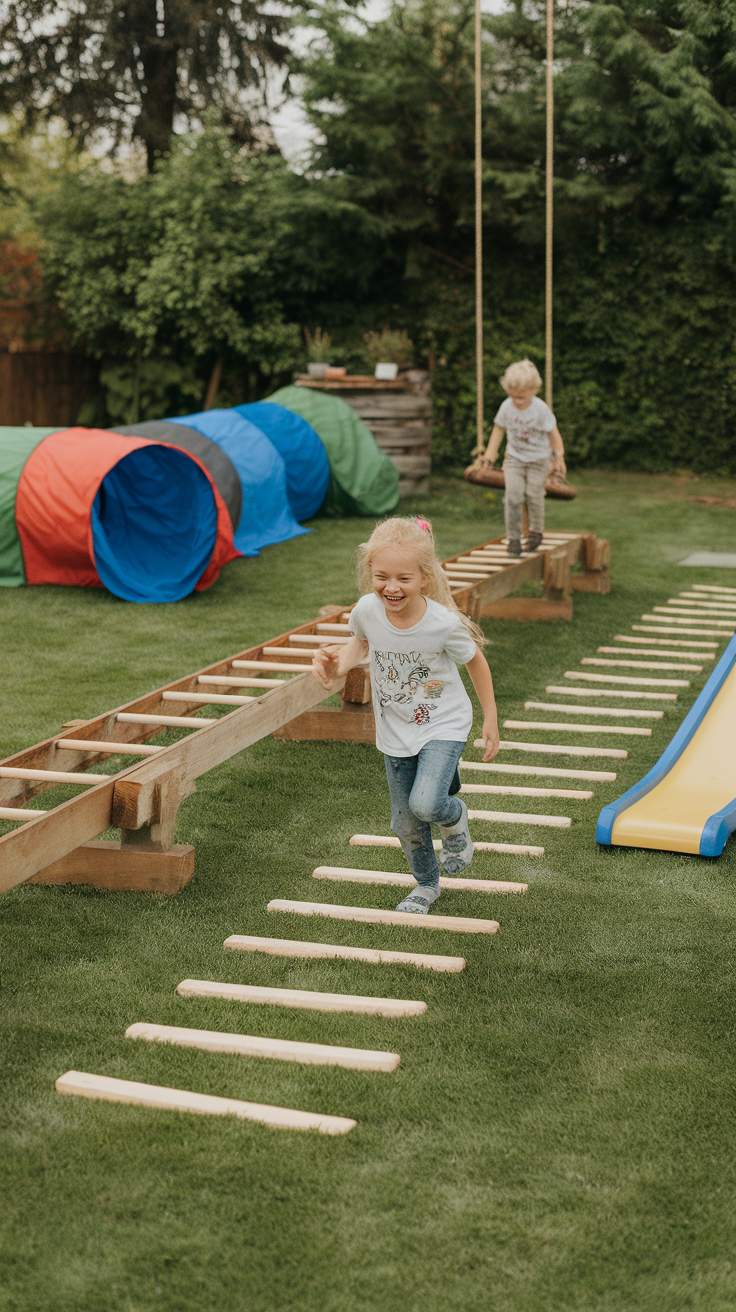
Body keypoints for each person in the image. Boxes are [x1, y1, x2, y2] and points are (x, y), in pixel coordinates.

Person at [312, 516, 500, 915]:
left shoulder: (442, 623)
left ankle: (454, 815)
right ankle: (427, 885)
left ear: (425, 578)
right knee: (406, 823)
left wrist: (490, 719)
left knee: (428, 805)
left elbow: (476, 663)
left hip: (442, 722)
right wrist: (337, 667)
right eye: (382, 577)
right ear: (370, 573)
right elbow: (358, 646)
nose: (391, 588)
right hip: (395, 728)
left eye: (403, 579)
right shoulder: (367, 609)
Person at [482, 358, 566, 558]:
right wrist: (490, 453)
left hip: (539, 460)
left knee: (534, 494)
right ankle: (513, 538)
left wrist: (559, 457)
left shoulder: (540, 409)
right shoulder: (506, 407)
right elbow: (498, 429)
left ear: (534, 390)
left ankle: (536, 532)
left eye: (522, 397)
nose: (518, 401)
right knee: (513, 496)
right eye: (514, 396)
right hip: (515, 459)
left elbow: (554, 434)